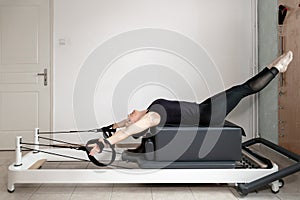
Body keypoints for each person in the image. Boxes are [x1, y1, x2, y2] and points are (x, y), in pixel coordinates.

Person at [87, 51, 293, 156]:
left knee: (240, 88)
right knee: (242, 90)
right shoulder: (152, 117)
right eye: (130, 117)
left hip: (204, 106)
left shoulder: (150, 109)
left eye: (129, 115)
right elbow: (128, 130)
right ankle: (277, 69)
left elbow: (123, 125)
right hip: (208, 115)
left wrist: (110, 127)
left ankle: (274, 66)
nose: (129, 115)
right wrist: (103, 143)